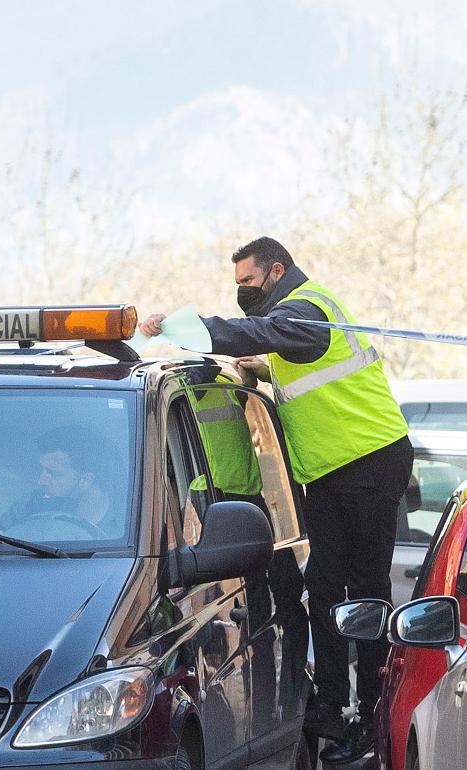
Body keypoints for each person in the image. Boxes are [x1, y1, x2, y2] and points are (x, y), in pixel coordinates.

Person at [139, 236, 412, 764]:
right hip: (333, 472)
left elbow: (267, 332)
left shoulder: (307, 309)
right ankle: (332, 706)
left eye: (247, 282)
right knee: (325, 586)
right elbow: (292, 361)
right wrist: (259, 371)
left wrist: (189, 328)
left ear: (276, 270)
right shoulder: (295, 319)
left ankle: (374, 714)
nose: (242, 292)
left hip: (369, 461)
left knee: (367, 590)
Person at [1, 427, 114, 538]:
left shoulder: (120, 527)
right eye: (42, 471)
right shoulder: (28, 503)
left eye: (53, 474)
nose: (41, 481)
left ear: (85, 480)